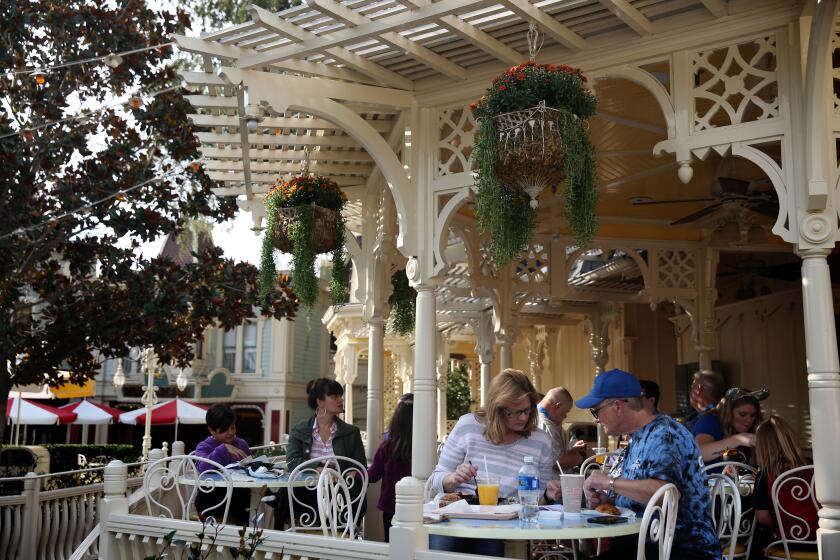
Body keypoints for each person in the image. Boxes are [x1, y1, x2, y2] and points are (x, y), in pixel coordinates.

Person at [577, 369, 721, 560]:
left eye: (596, 411)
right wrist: (606, 500)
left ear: (618, 406)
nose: (596, 419)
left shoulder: (665, 435)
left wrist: (608, 482)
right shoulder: (638, 436)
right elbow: (636, 492)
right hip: (640, 549)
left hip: (678, 550)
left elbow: (665, 493)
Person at [428, 369, 560, 556]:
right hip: (457, 515)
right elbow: (436, 479)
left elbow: (536, 501)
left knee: (491, 543)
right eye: (514, 412)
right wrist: (454, 478)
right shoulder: (468, 426)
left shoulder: (540, 442)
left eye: (527, 409)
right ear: (496, 409)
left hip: (503, 521)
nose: (523, 417)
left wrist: (548, 494)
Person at [283, 378, 367, 528]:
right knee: (288, 498)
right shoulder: (299, 430)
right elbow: (291, 461)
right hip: (306, 493)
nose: (341, 400)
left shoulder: (351, 432)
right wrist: (316, 468)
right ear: (320, 402)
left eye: (340, 396)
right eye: (335, 396)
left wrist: (349, 474)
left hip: (340, 494)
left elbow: (360, 465)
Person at [752, 415, 819, 551]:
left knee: (756, 539)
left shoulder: (765, 474)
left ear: (762, 446)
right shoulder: (812, 466)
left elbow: (762, 517)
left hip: (789, 541)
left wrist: (780, 525)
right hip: (820, 539)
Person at [192, 404, 252, 524]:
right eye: (224, 429)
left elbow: (250, 467)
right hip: (212, 501)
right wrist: (223, 448)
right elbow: (203, 468)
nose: (230, 432)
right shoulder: (204, 446)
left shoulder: (241, 444)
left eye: (233, 427)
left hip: (238, 500)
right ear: (211, 430)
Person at [368, 399, 413, 541]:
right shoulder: (424, 447)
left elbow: (373, 475)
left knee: (393, 545)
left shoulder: (387, 447)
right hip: (420, 505)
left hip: (391, 506)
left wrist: (354, 474)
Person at [693, 387, 765, 465]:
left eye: (752, 415)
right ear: (728, 412)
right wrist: (738, 439)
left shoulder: (752, 429)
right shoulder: (710, 421)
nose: (749, 420)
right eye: (742, 414)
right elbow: (700, 453)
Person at [537, 387, 589, 470]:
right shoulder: (546, 426)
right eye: (566, 411)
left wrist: (572, 451)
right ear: (557, 406)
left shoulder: (535, 417)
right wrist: (583, 455)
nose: (565, 416)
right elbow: (558, 463)